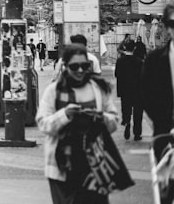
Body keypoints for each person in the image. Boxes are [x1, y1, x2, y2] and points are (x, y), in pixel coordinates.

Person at [36, 43, 123, 203]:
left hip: (94, 164)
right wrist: (65, 114)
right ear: (65, 66)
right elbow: (43, 124)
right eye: (75, 66)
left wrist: (100, 117)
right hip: (62, 166)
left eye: (85, 66)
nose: (80, 70)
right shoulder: (54, 91)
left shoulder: (99, 89)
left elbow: (114, 121)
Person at [143, 1, 174, 138]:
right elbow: (146, 94)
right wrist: (162, 121)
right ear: (167, 27)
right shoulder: (154, 59)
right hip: (165, 131)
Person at [114, 44, 144, 141]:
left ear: (125, 49)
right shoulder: (139, 61)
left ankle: (127, 122)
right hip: (138, 90)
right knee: (137, 112)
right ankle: (137, 133)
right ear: (134, 48)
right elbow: (143, 77)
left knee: (126, 109)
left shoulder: (120, 61)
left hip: (124, 90)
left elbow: (116, 74)